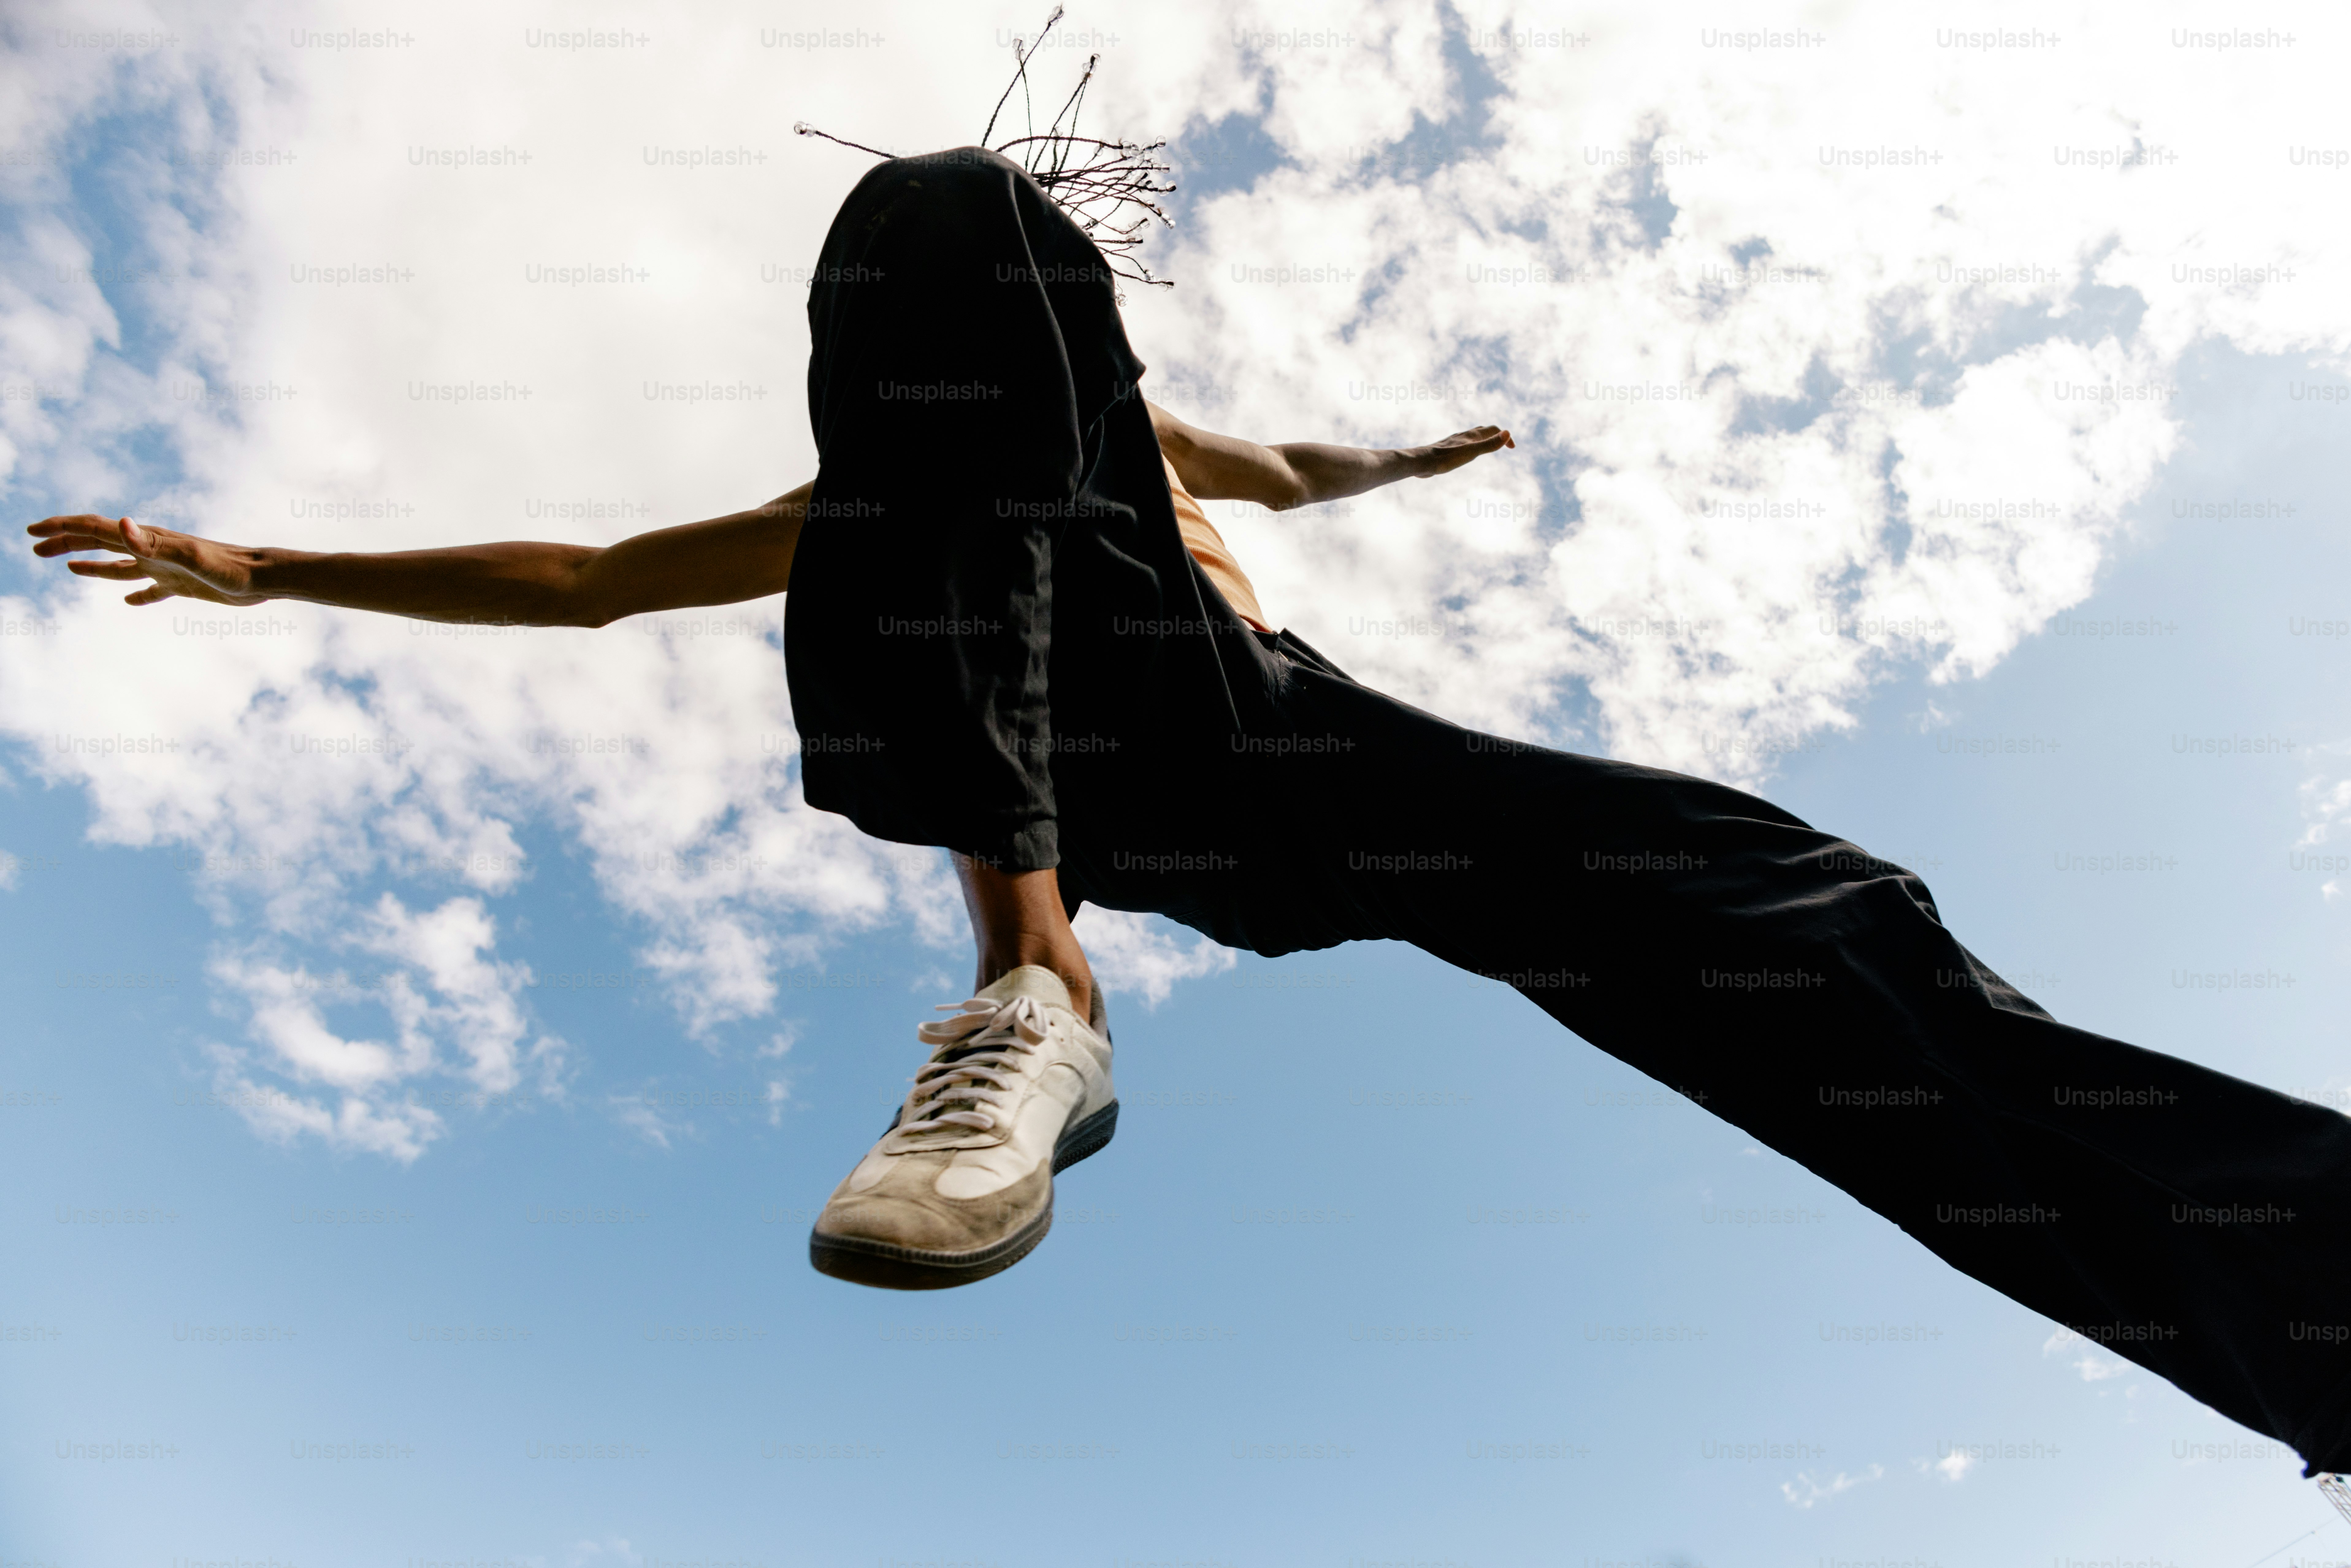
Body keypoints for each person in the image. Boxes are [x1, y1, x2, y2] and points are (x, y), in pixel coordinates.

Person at [27, 143, 2351, 1503]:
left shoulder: (1156, 445)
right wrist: (265, 561)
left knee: (1813, 913)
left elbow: (1292, 465)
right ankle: (1029, 991)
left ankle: (2310, 1312)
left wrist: (1414, 460)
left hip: (1309, 760)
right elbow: (593, 583)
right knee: (942, 231)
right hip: (1078, 782)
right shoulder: (881, 491)